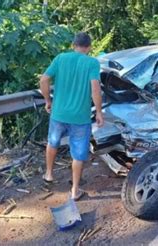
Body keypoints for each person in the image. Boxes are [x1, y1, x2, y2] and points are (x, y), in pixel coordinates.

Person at [39, 32, 104, 200]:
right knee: (78, 153)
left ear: (73, 45)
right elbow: (95, 89)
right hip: (80, 118)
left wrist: (47, 100)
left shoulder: (61, 58)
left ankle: (49, 174)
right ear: (89, 47)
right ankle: (75, 190)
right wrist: (98, 112)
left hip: (58, 113)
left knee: (52, 142)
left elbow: (44, 80)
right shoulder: (92, 63)